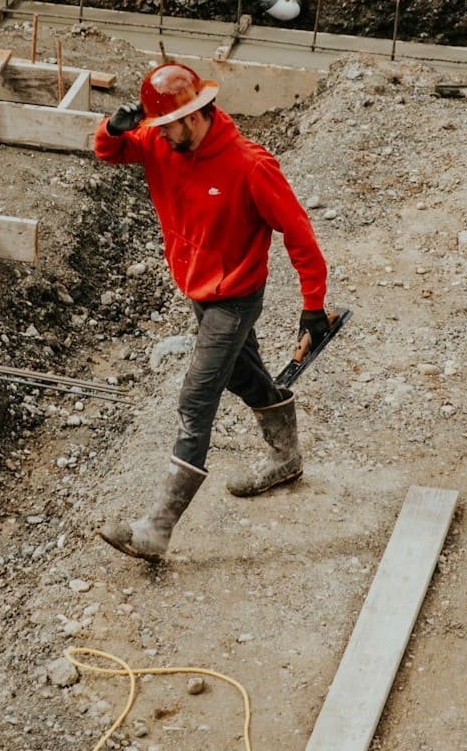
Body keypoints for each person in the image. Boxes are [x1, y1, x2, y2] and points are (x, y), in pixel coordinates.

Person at [93, 61, 334, 562]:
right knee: (242, 377)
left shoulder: (249, 165)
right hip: (196, 288)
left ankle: (156, 530)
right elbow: (110, 151)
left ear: (195, 114)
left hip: (235, 297)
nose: (155, 135)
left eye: (166, 125)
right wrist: (112, 127)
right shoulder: (164, 143)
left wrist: (313, 307)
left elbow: (299, 233)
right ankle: (287, 457)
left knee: (196, 398)